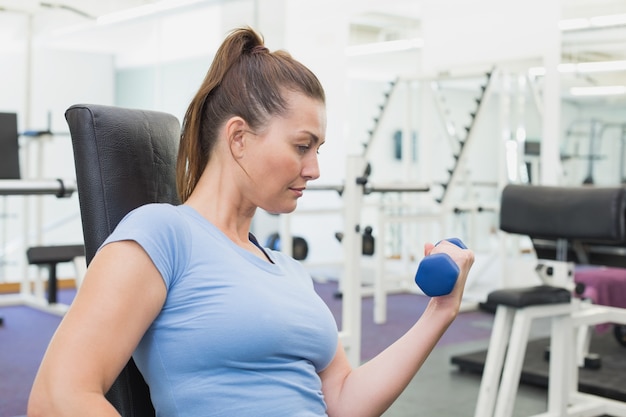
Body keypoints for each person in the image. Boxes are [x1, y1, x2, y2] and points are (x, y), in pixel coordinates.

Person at [27, 26, 474, 417]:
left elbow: (341, 398)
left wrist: (439, 313)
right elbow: (57, 398)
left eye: (318, 149)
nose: (315, 168)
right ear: (238, 138)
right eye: (303, 146)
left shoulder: (288, 270)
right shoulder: (162, 235)